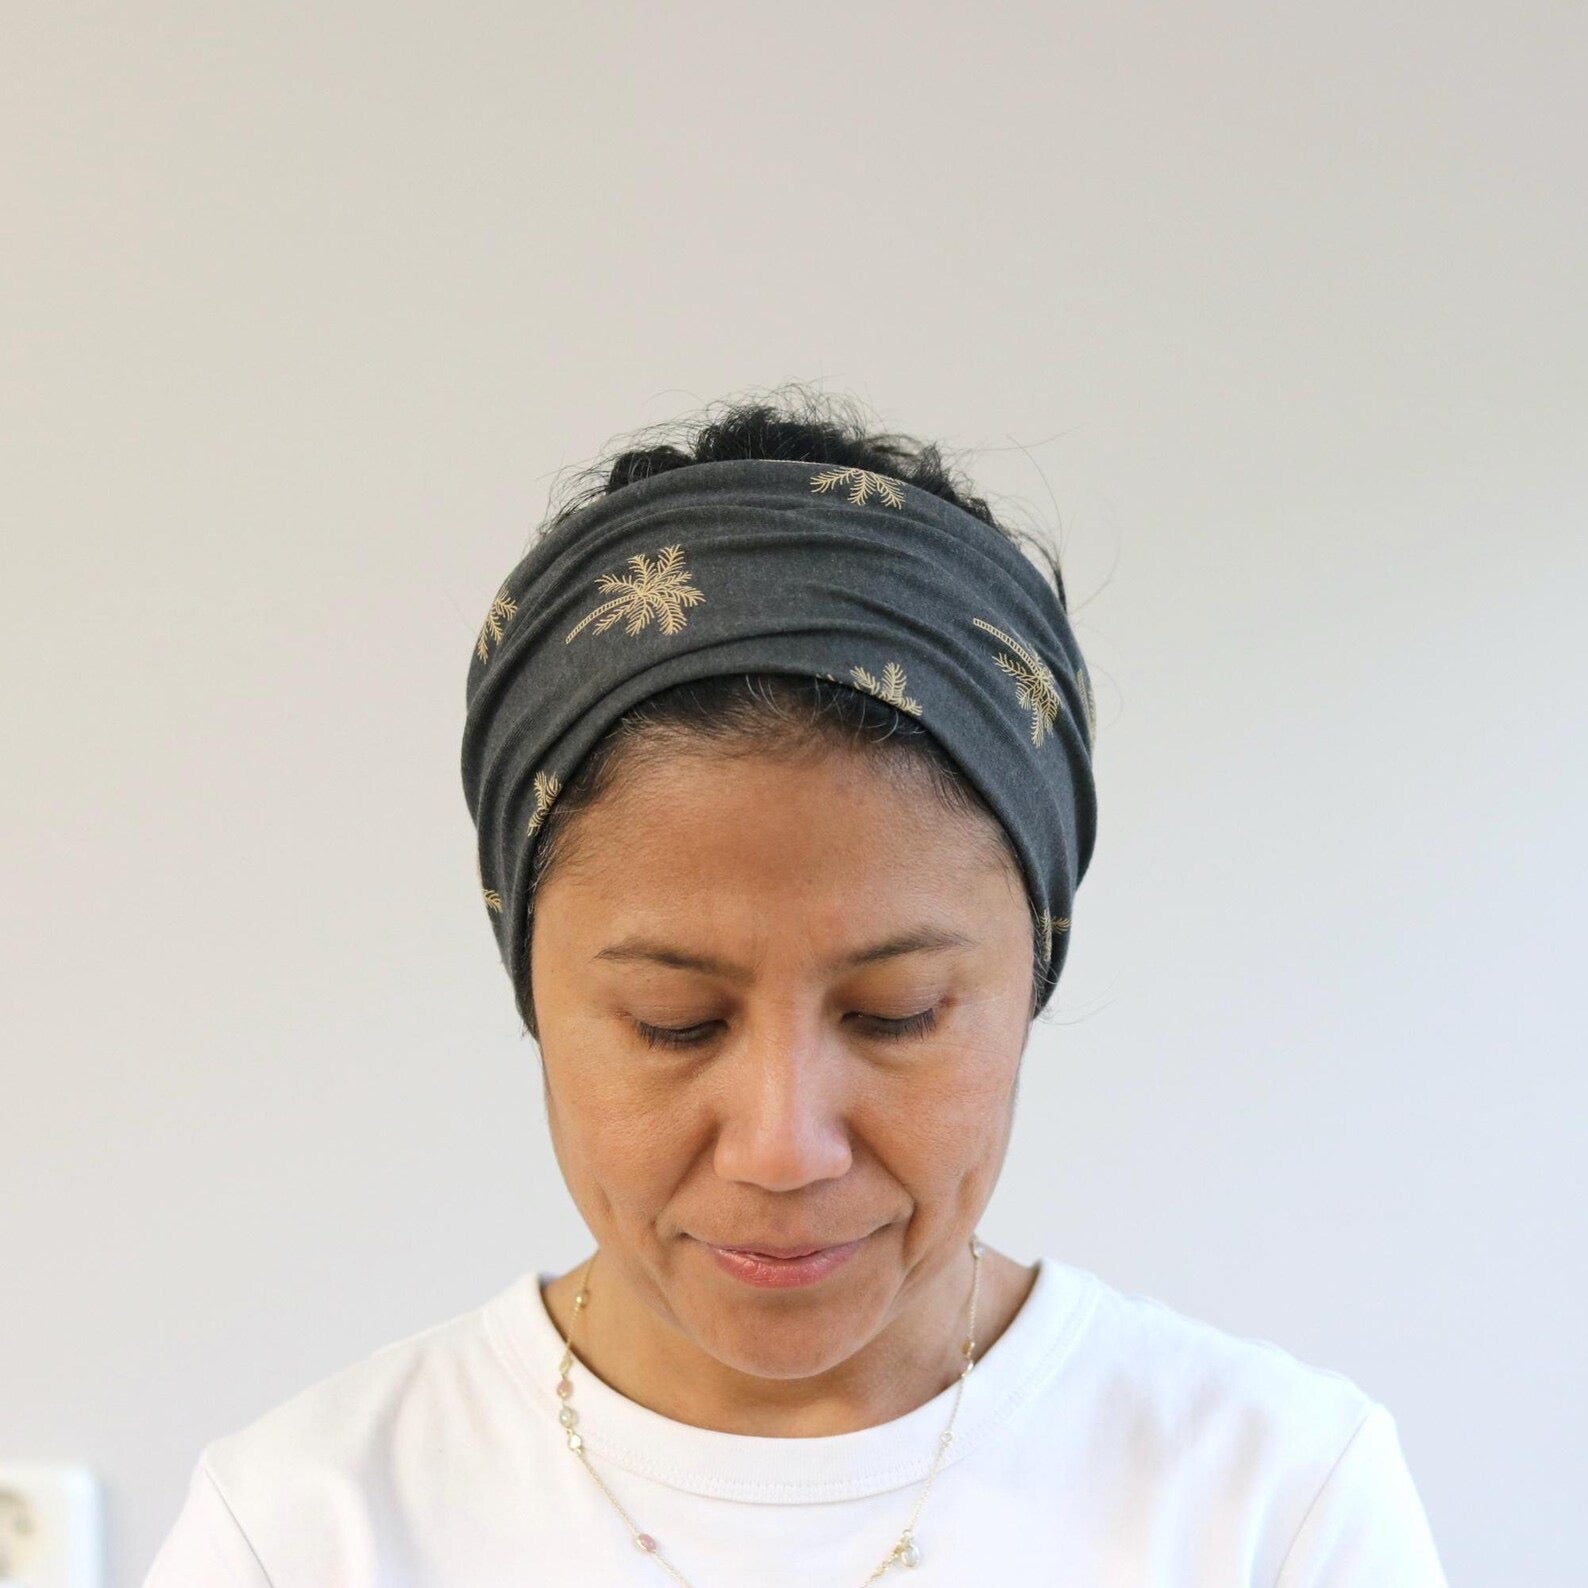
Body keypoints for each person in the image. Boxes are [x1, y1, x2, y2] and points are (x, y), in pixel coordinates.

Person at [145, 389, 1449, 1585]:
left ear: (1030, 977)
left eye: (897, 1016)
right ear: (531, 986)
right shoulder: (311, 1530)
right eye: (675, 1023)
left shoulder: (1273, 1505)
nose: (782, 1147)